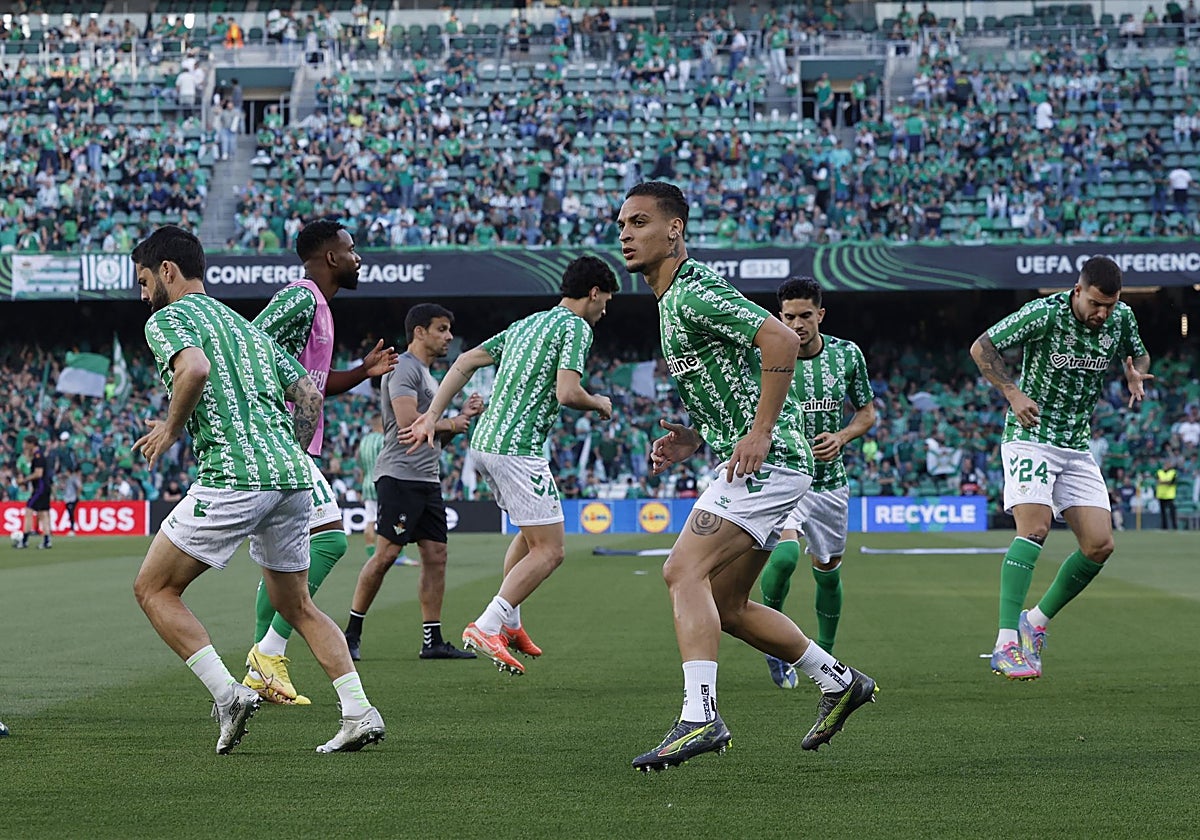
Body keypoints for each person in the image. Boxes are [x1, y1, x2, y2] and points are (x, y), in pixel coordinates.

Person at [615, 182, 877, 772]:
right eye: (622, 225)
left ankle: (699, 717)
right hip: (763, 461)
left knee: (681, 570)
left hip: (769, 460)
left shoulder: (691, 290)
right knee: (728, 606)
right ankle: (839, 682)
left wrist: (759, 431)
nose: (626, 234)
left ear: (674, 229)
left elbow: (781, 338)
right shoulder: (673, 301)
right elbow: (740, 378)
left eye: (638, 222)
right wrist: (697, 436)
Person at [129, 225, 384, 754]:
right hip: (292, 478)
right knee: (298, 606)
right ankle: (359, 712)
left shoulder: (169, 319)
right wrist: (286, 452)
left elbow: (194, 367)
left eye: (144, 280)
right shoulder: (245, 328)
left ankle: (228, 695)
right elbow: (309, 396)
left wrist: (171, 428)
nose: (142, 293)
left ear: (168, 272)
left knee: (153, 589)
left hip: (233, 474)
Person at [404, 256, 617, 676]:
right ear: (593, 293)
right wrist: (599, 403)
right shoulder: (576, 327)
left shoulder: (528, 323)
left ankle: (512, 624)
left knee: (529, 533)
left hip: (484, 443)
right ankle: (487, 625)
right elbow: (568, 392)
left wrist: (432, 415)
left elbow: (464, 362)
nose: (605, 310)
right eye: (605, 301)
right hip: (517, 449)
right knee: (551, 550)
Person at [970, 256, 1152, 681]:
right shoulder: (1044, 313)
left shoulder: (1121, 318)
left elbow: (1140, 356)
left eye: (1109, 304)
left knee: (1100, 545)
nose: (1101, 313)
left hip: (1076, 443)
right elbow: (982, 346)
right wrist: (1012, 393)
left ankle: (1034, 622)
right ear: (1078, 289)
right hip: (1031, 435)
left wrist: (1134, 373)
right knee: (1035, 527)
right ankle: (1005, 644)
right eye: (1094, 303)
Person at [241, 218, 398, 705]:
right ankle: (267, 654)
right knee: (329, 540)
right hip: (279, 442)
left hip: (290, 444)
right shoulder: (301, 297)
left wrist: (361, 373)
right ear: (331, 257)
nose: (358, 258)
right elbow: (245, 349)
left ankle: (263, 667)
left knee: (281, 563)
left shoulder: (321, 309)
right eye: (351, 250)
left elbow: (312, 381)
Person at [344, 304, 483, 662]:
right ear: (419, 332)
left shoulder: (427, 375)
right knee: (387, 554)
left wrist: (461, 418)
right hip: (400, 476)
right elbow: (409, 426)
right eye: (441, 328)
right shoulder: (403, 367)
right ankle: (351, 634)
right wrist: (452, 423)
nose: (449, 336)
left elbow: (431, 437)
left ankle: (432, 640)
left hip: (426, 477)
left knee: (436, 556)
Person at [759, 277, 876, 689]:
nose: (797, 324)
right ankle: (775, 647)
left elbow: (867, 413)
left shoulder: (847, 355)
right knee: (786, 556)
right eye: (788, 316)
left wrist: (842, 436)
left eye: (805, 315)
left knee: (827, 571)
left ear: (820, 314)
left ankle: (823, 655)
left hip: (830, 483)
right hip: (785, 477)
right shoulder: (767, 354)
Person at [16, 435, 52, 549]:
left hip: (40, 488)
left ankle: (25, 540)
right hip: (45, 487)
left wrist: (24, 480)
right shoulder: (37, 456)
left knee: (29, 510)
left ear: (31, 444)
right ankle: (47, 540)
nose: (24, 446)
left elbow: (38, 473)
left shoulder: (38, 456)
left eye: (26, 443)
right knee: (44, 513)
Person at [1156, 459, 1178, 529]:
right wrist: (1166, 482)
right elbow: (1158, 481)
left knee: (1172, 513)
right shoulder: (1159, 472)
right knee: (1163, 513)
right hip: (1161, 495)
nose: (1166, 465)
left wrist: (1163, 482)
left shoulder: (1173, 472)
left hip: (1170, 495)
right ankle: (1164, 527)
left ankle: (1175, 527)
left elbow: (1171, 482)